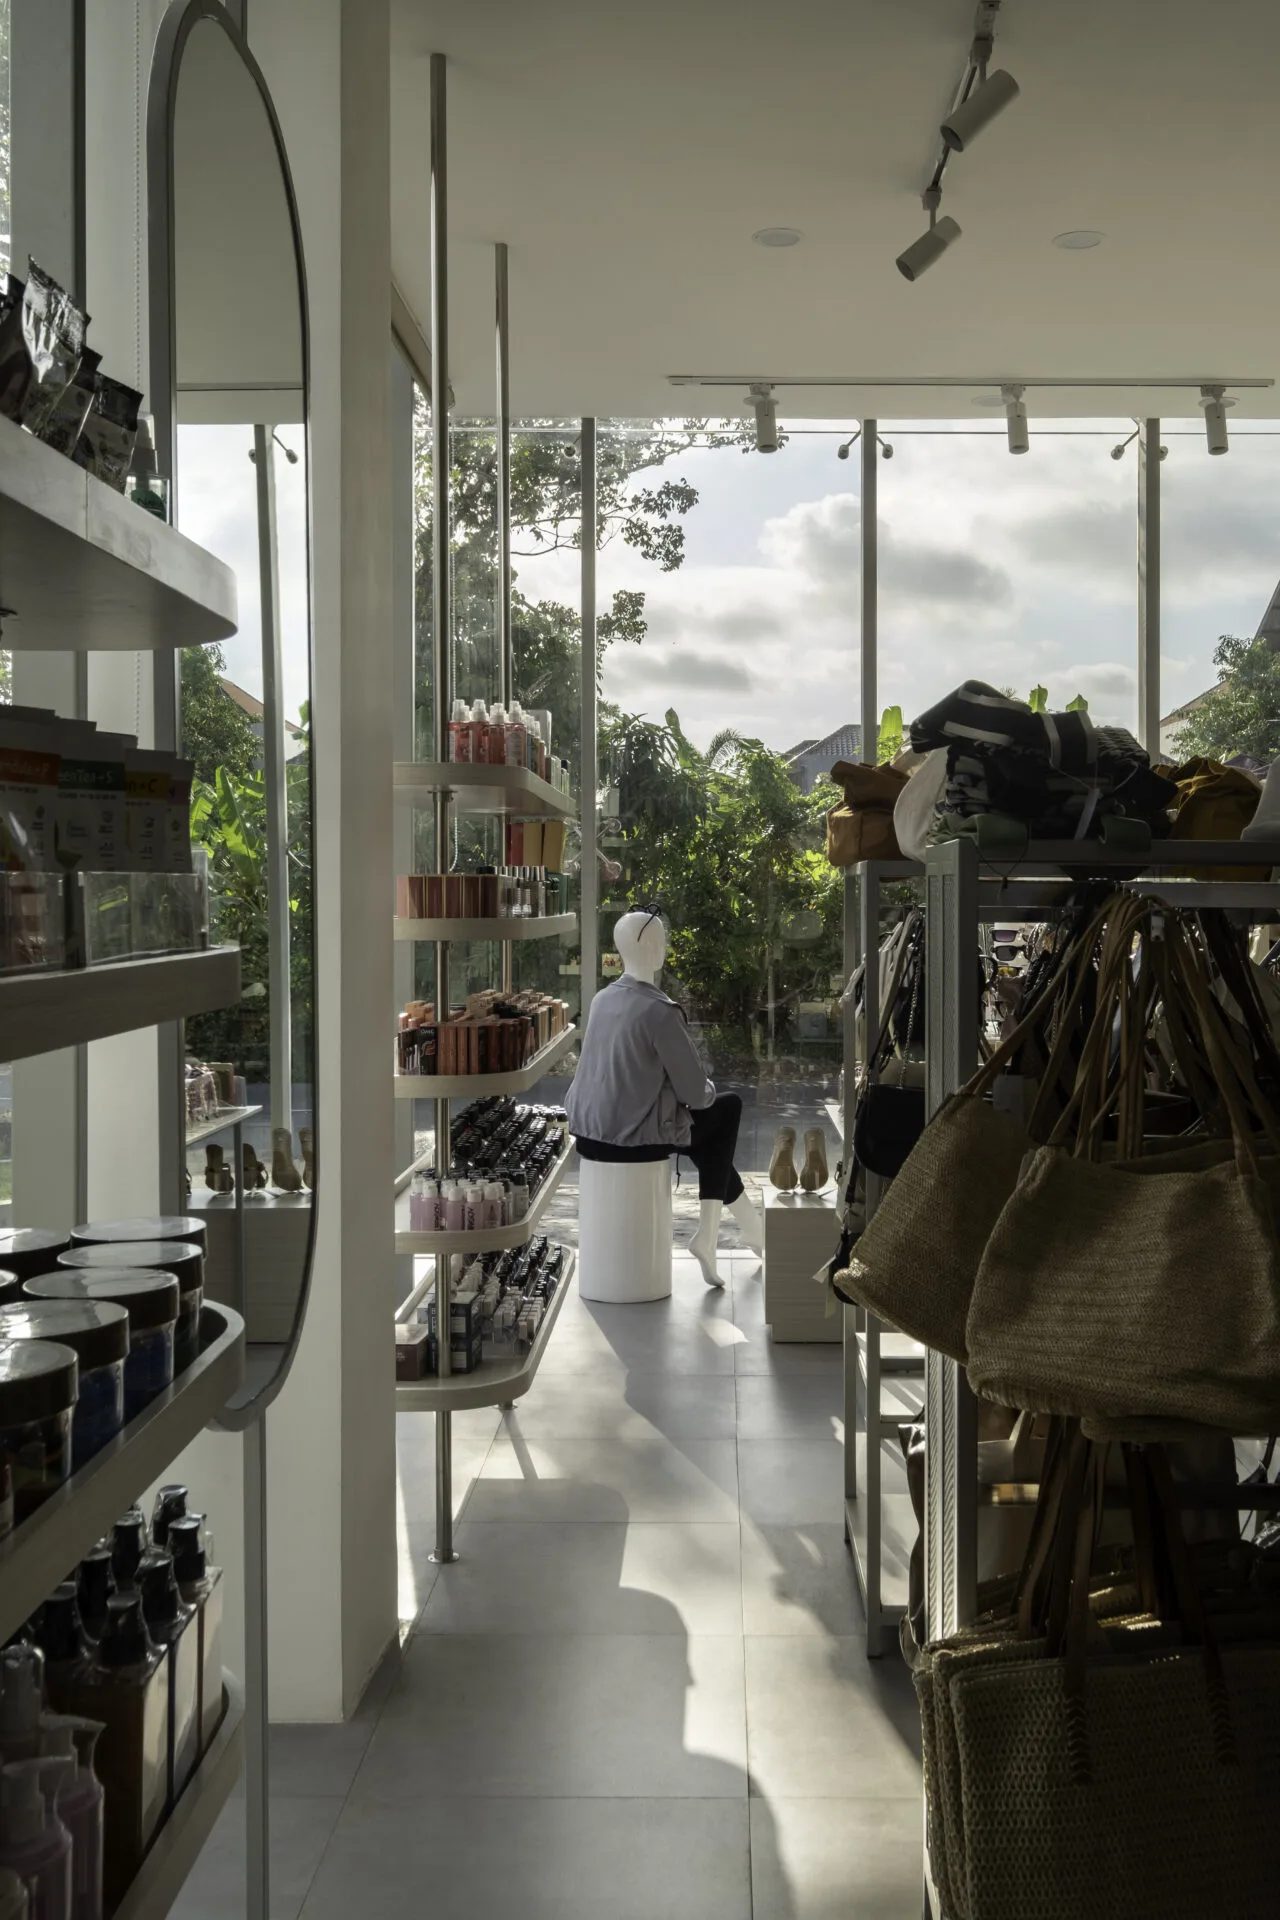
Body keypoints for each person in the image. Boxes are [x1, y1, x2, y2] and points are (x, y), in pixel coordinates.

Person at [565, 909, 763, 1286]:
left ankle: (752, 1228)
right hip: (630, 1139)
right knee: (727, 1108)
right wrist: (703, 1089)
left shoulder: (602, 1000)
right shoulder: (660, 1011)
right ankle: (708, 1236)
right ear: (655, 949)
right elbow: (695, 1093)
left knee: (708, 1144)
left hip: (590, 1132)